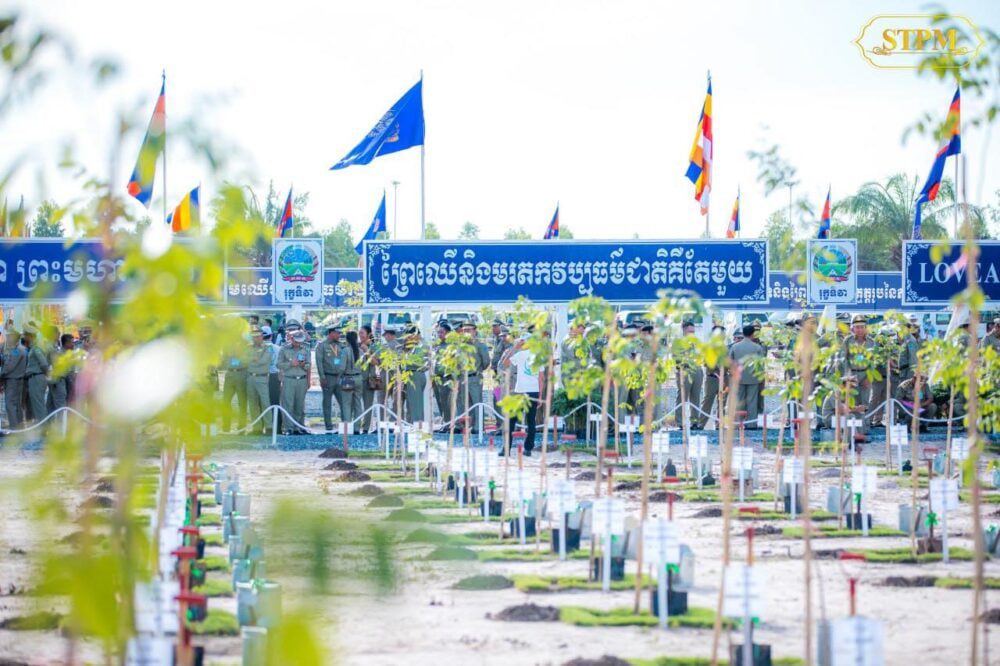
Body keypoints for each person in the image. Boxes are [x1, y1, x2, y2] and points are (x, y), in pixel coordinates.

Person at [501, 334, 540, 455]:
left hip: (520, 390)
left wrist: (514, 348)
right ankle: (528, 448)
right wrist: (541, 395)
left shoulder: (521, 354)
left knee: (511, 420)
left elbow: (505, 363)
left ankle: (506, 449)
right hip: (534, 390)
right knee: (531, 421)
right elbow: (542, 378)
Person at [315, 326, 355, 431]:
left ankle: (344, 425)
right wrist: (322, 377)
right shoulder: (322, 346)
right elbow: (319, 363)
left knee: (343, 402)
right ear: (331, 333)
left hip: (340, 377)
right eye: (337, 333)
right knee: (327, 402)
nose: (339, 335)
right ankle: (328, 425)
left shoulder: (342, 346)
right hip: (328, 377)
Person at [728, 324, 765, 427]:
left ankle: (737, 423)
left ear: (743, 333)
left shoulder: (735, 346)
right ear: (753, 334)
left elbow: (730, 362)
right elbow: (761, 364)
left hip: (738, 377)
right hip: (753, 377)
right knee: (752, 401)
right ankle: (752, 424)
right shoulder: (757, 347)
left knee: (739, 401)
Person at [278, 330, 311, 434]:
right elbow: (278, 364)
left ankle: (298, 427)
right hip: (289, 379)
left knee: (299, 405)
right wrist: (290, 364)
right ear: (291, 339)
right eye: (296, 341)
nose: (298, 343)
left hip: (301, 379)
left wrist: (303, 365)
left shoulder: (306, 349)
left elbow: (309, 365)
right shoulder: (284, 349)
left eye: (299, 341)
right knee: (288, 404)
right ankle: (288, 428)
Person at [461, 322, 491, 432]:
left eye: (468, 330)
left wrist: (477, 371)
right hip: (463, 378)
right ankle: (470, 426)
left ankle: (479, 427)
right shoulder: (462, 346)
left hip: (475, 377)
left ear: (475, 331)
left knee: (477, 403)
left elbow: (486, 361)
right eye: (464, 330)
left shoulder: (480, 345)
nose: (466, 332)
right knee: (466, 404)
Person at [697, 325, 727, 429]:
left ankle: (720, 424)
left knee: (722, 403)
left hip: (724, 378)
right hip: (712, 378)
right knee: (707, 401)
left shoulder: (726, 348)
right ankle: (701, 424)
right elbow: (706, 363)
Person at [246, 327, 273, 435]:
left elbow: (264, 360)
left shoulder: (268, 348)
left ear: (262, 336)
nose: (255, 339)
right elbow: (244, 359)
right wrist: (254, 359)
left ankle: (269, 427)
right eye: (254, 337)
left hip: (262, 377)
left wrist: (253, 359)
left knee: (265, 402)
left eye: (257, 336)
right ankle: (256, 428)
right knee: (253, 403)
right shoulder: (248, 347)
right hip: (250, 377)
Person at [676, 320, 703, 429]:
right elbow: (676, 359)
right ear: (683, 330)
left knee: (696, 397)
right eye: (690, 331)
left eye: (693, 331)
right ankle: (680, 422)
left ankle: (695, 422)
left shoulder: (697, 342)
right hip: (684, 370)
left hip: (697, 370)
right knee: (682, 397)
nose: (692, 334)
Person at [22, 325, 50, 424]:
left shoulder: (36, 348)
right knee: (37, 404)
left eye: (25, 335)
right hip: (35, 377)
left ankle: (44, 428)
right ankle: (42, 426)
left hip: (36, 378)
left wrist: (46, 374)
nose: (24, 337)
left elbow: (43, 363)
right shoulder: (34, 347)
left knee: (39, 405)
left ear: (29, 336)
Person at [221, 339, 249, 433]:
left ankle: (242, 427)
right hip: (229, 374)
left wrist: (238, 354)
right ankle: (226, 427)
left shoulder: (246, 343)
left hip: (241, 374)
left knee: (242, 403)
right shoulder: (228, 343)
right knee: (226, 402)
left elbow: (248, 360)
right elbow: (223, 359)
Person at [402, 327, 428, 423]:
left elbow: (419, 362)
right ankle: (412, 423)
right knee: (411, 403)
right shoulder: (412, 346)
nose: (406, 339)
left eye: (408, 336)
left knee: (416, 404)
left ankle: (417, 425)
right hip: (410, 375)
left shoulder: (421, 346)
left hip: (416, 374)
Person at [1, 329, 26, 428]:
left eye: (9, 336)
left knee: (10, 404)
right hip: (17, 379)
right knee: (17, 405)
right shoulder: (19, 349)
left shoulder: (17, 350)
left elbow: (9, 366)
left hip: (13, 380)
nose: (7, 338)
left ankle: (14, 428)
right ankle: (19, 426)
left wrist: (1, 375)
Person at [357, 325, 378, 432]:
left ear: (369, 334)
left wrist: (367, 351)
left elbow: (376, 362)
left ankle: (365, 428)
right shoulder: (356, 346)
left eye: (362, 333)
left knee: (368, 405)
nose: (360, 335)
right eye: (359, 333)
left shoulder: (374, 346)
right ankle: (356, 426)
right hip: (358, 379)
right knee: (356, 404)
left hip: (370, 379)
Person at [433, 322, 453, 426]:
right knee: (440, 401)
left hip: (446, 377)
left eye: (442, 332)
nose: (439, 335)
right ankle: (444, 421)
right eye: (438, 332)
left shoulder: (451, 346)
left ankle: (448, 422)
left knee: (446, 402)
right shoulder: (437, 345)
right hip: (437, 377)